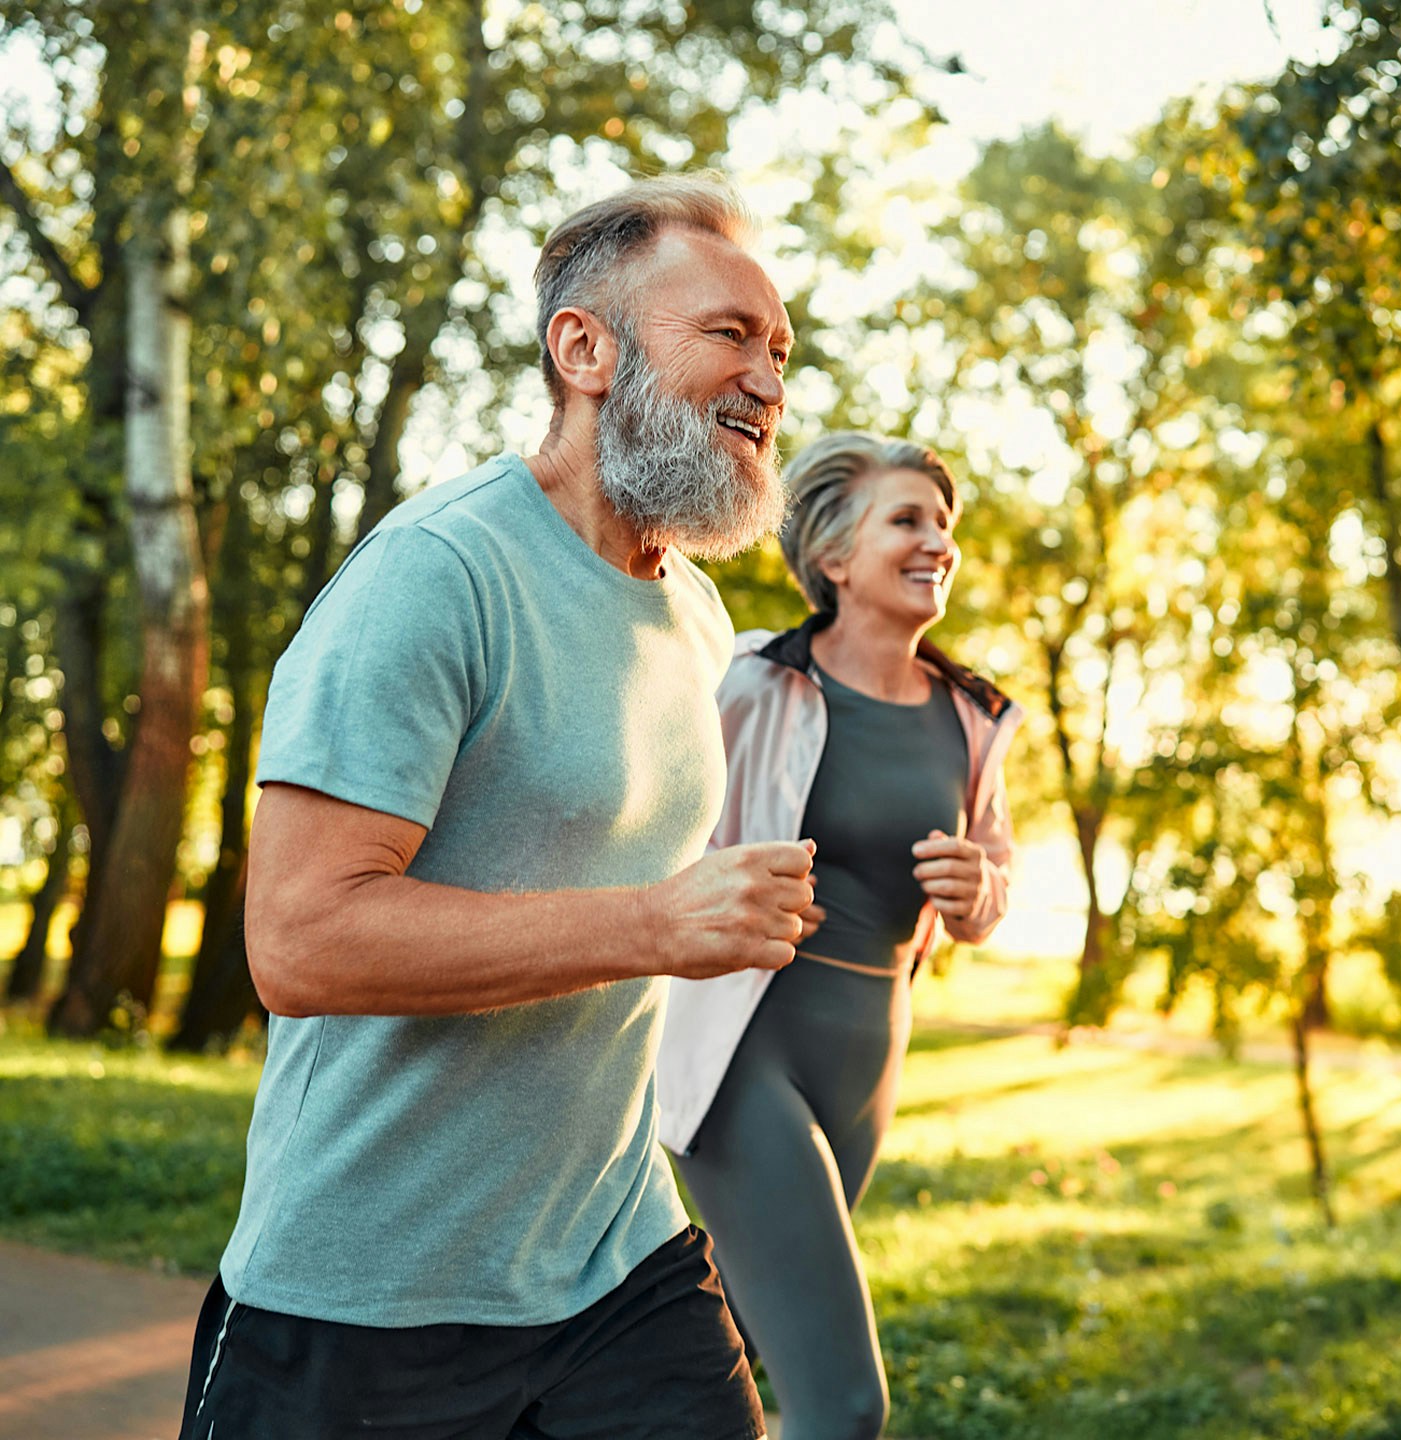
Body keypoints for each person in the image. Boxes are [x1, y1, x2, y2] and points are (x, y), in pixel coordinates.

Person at [177, 174, 815, 1440]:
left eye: (782, 350)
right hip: (367, 1293)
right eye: (730, 335)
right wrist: (652, 926)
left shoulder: (692, 611)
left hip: (615, 1258)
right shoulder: (436, 577)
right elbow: (300, 941)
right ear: (585, 349)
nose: (768, 380)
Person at [657, 432, 1022, 1440]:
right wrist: (734, 888)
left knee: (717, 1362)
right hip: (746, 1048)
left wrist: (979, 891)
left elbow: (996, 880)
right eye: (907, 520)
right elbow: (652, 841)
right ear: (833, 557)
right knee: (844, 1405)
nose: (937, 542)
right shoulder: (745, 682)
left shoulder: (973, 716)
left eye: (944, 525)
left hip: (868, 1055)